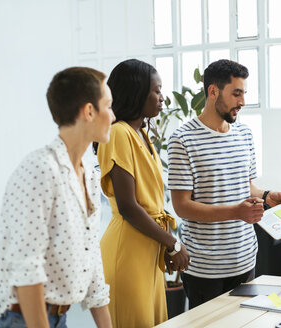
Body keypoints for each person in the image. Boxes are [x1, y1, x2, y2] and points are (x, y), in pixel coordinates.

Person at [0, 67, 114, 327]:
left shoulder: (89, 174)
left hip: (58, 316)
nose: (113, 116)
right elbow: (27, 270)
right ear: (89, 111)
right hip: (17, 319)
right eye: (108, 106)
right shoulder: (39, 170)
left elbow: (92, 261)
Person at [167, 59, 281, 308]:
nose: (242, 102)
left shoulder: (244, 135)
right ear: (213, 91)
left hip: (245, 261)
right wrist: (236, 212)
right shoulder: (182, 139)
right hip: (205, 270)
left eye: (244, 94)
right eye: (236, 93)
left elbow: (246, 187)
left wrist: (267, 195)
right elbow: (182, 207)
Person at [95, 59, 189, 327]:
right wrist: (173, 243)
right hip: (128, 251)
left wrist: (164, 245)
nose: (163, 98)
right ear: (136, 92)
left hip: (147, 248)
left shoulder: (142, 135)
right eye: (157, 91)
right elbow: (129, 207)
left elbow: (151, 203)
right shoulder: (119, 133)